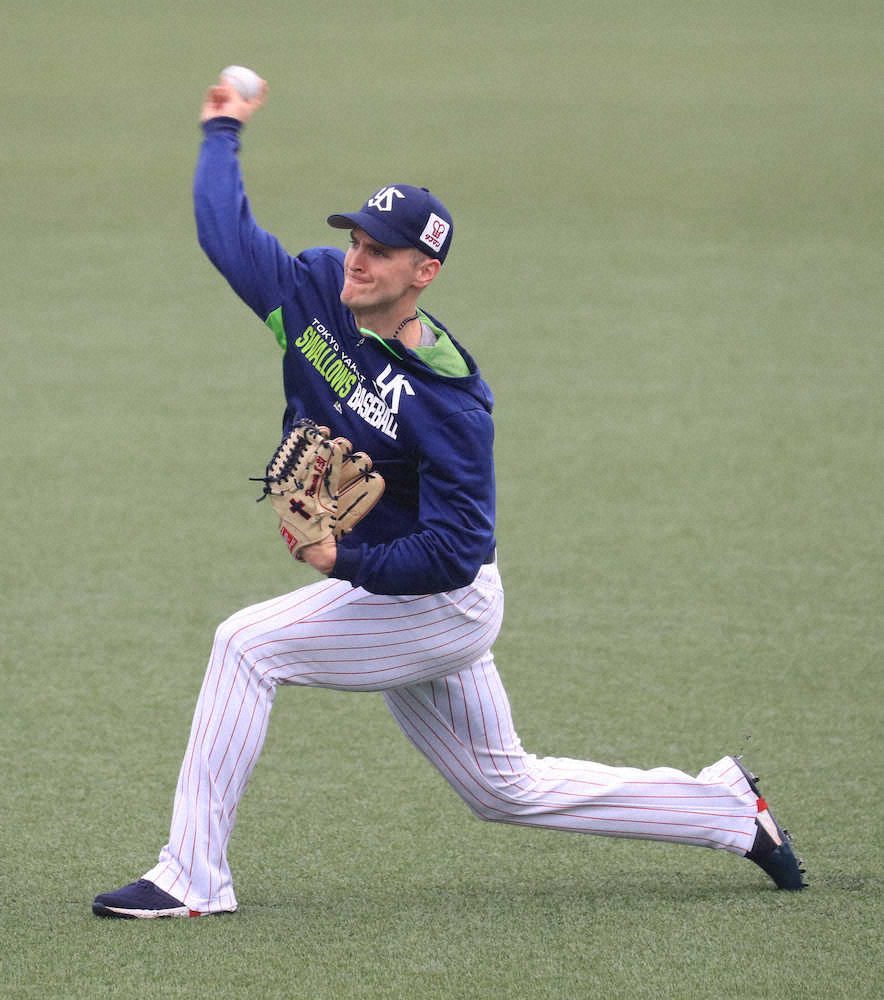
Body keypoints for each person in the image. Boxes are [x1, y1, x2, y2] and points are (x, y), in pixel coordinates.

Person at [92, 76, 805, 919]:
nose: (357, 256)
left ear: (423, 272)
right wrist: (222, 127)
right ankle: (726, 808)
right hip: (395, 591)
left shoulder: (451, 404)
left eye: (381, 250)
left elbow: (457, 551)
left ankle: (192, 877)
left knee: (246, 645)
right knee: (503, 788)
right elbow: (225, 233)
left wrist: (339, 557)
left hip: (443, 602)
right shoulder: (314, 298)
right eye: (355, 237)